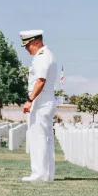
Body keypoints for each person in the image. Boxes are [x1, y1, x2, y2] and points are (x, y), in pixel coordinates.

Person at [20, 30, 57, 182]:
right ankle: (47, 174)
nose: (27, 49)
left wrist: (30, 99)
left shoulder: (41, 57)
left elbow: (40, 81)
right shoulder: (48, 55)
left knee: (38, 137)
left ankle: (39, 173)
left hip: (40, 101)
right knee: (46, 137)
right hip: (46, 99)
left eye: (28, 45)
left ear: (36, 42)